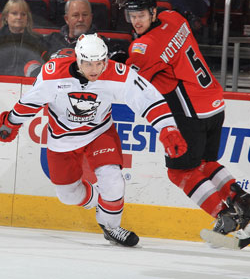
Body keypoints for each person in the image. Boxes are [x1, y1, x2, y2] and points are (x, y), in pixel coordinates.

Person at [0, 33, 187, 246]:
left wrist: (167, 129)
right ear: (78, 60)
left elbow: (148, 99)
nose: (95, 69)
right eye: (88, 63)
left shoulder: (116, 73)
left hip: (99, 133)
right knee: (68, 196)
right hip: (61, 140)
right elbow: (30, 101)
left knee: (113, 181)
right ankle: (102, 202)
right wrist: (10, 122)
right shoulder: (53, 75)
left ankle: (111, 227)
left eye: (100, 62)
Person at [124, 0, 250, 239]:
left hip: (192, 111)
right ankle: (244, 201)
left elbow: (129, 80)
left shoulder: (143, 47)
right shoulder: (174, 17)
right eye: (132, 15)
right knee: (204, 163)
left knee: (179, 171)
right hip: (215, 101)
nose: (136, 21)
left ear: (152, 12)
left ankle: (223, 216)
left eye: (141, 15)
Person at [26, 0, 129, 77]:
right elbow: (28, 63)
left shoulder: (104, 43)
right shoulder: (49, 40)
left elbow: (120, 67)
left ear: (91, 17)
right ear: (67, 19)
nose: (80, 19)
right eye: (75, 15)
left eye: (85, 15)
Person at [0, 0, 46, 77]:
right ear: (6, 17)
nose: (19, 17)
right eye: (14, 13)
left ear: (27, 18)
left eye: (23, 14)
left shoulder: (38, 40)